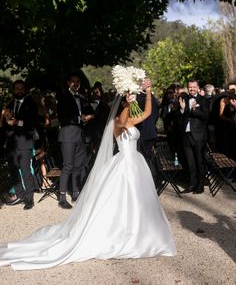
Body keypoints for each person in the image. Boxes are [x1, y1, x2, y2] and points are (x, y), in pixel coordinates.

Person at [0, 78, 176, 270]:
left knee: (139, 200)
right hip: (124, 163)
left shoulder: (132, 120)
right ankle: (123, 233)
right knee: (125, 199)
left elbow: (148, 113)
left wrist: (149, 91)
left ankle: (141, 232)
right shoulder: (118, 123)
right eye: (125, 103)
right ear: (121, 105)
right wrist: (128, 102)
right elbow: (124, 120)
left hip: (136, 162)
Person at [57, 74, 94, 209]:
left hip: (80, 135)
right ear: (68, 82)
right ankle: (61, 198)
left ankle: (75, 192)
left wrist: (90, 116)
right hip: (67, 135)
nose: (76, 83)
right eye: (73, 81)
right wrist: (81, 119)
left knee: (78, 165)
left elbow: (90, 111)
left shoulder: (82, 98)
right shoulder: (62, 97)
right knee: (68, 165)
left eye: (78, 81)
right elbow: (63, 117)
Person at [1, 80, 38, 210]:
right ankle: (20, 195)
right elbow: (5, 125)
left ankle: (29, 199)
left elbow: (31, 123)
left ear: (25, 90)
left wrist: (16, 122)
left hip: (25, 142)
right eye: (17, 88)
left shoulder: (31, 104)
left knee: (26, 171)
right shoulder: (9, 105)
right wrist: (6, 121)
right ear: (13, 90)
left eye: (21, 88)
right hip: (11, 145)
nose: (19, 90)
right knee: (13, 171)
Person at [179, 79, 209, 194]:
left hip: (199, 136)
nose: (192, 89)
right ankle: (192, 184)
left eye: (194, 87)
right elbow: (179, 117)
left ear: (198, 87)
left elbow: (206, 116)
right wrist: (182, 109)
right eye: (190, 87)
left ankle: (200, 185)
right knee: (190, 162)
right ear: (188, 87)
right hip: (186, 136)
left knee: (199, 162)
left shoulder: (203, 100)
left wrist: (194, 109)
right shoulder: (184, 99)